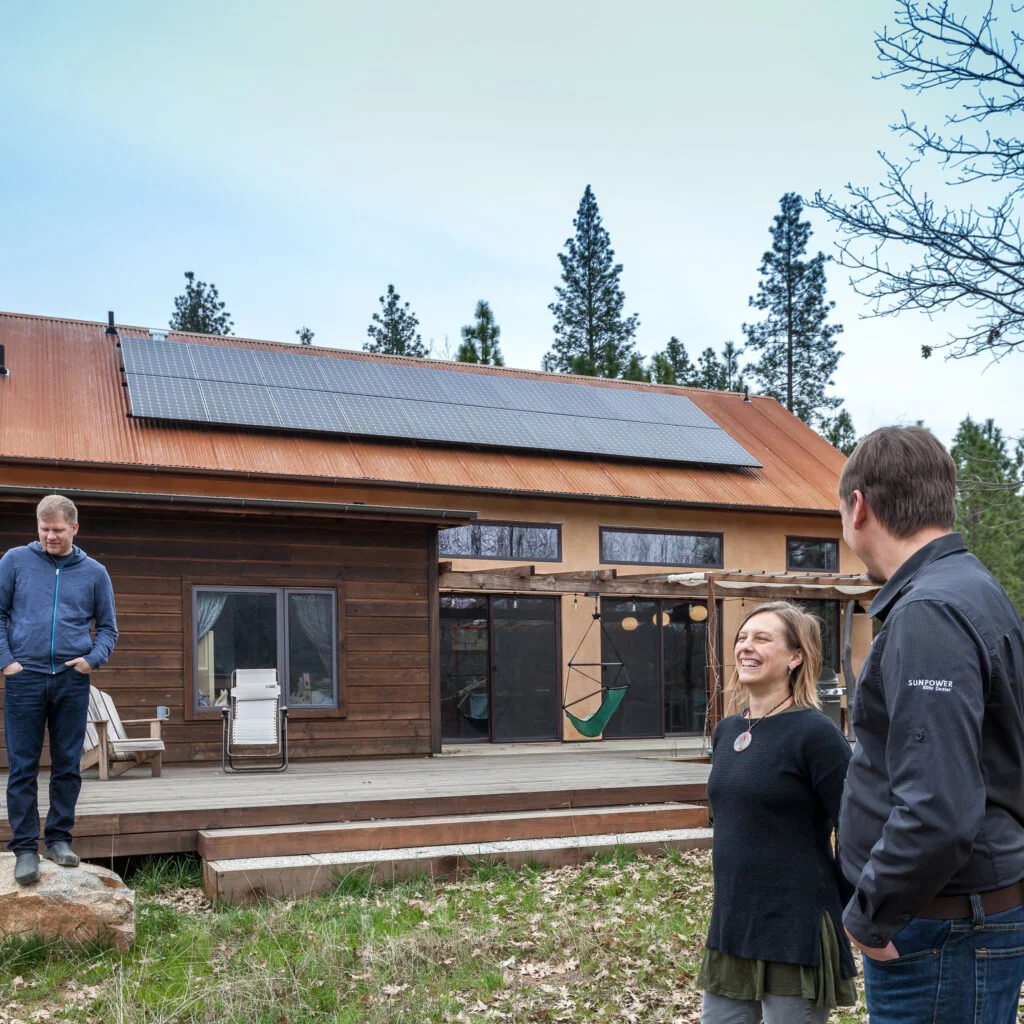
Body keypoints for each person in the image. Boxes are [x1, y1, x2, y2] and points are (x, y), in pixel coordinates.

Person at [838, 426, 1024, 1023]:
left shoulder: (930, 611)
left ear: (859, 507)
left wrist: (870, 916)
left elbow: (938, 808)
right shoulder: (972, 589)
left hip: (938, 932)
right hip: (957, 922)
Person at [699, 600, 857, 1024]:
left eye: (762, 638)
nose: (746, 646)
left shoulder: (816, 734)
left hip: (796, 925)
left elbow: (856, 830)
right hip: (733, 924)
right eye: (742, 637)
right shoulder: (728, 730)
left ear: (795, 657)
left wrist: (852, 909)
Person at [0, 494, 118, 885]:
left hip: (71, 679)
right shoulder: (15, 562)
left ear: (74, 528)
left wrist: (92, 660)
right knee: (22, 766)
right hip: (25, 678)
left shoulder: (95, 572)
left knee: (67, 764)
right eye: (44, 529)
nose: (50, 536)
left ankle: (58, 840)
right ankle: (24, 848)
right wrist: (7, 662)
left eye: (58, 530)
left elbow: (108, 629)